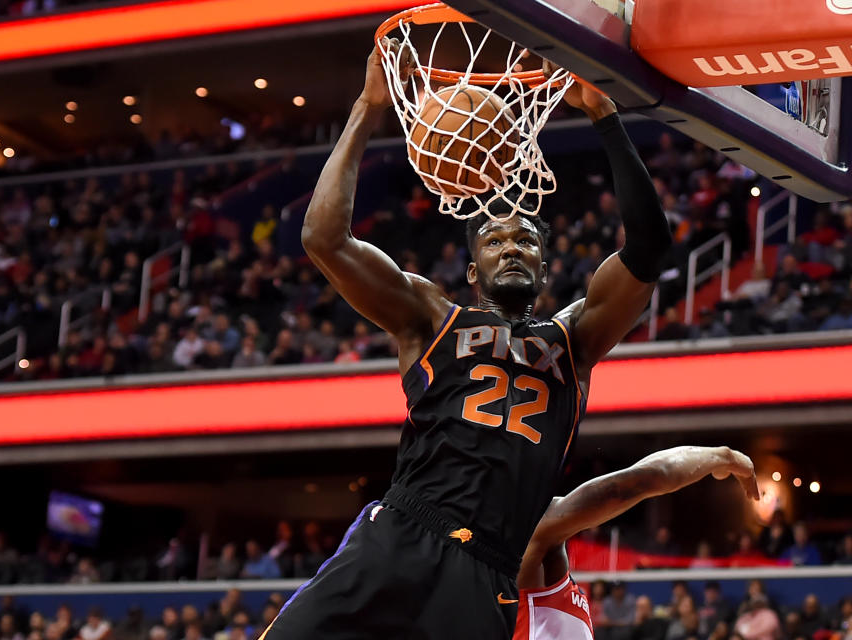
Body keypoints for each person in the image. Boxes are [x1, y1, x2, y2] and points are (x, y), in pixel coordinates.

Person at [263, 41, 672, 640]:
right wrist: (366, 108)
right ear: (473, 271)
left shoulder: (576, 337)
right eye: (497, 240)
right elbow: (325, 239)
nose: (513, 247)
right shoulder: (431, 316)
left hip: (487, 567)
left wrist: (604, 116)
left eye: (527, 241)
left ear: (544, 270)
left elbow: (649, 249)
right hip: (399, 533)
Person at [513, 446, 757, 640]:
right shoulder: (531, 535)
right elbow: (644, 479)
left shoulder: (532, 536)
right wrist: (725, 457)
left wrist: (724, 456)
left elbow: (644, 478)